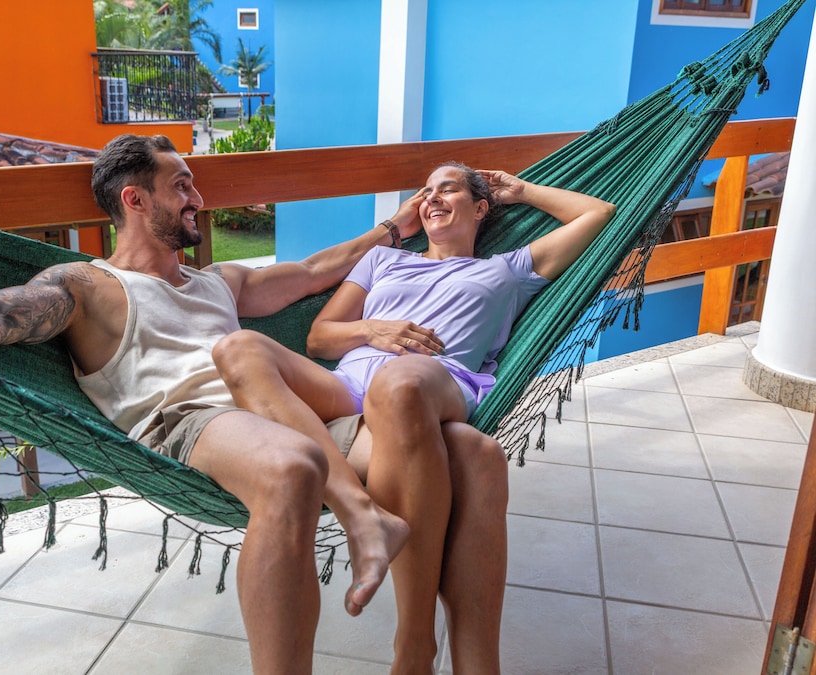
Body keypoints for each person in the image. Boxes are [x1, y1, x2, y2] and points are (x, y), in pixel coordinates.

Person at [0, 134, 491, 675]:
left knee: (467, 450)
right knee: (292, 466)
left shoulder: (220, 281)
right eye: (183, 186)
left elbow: (317, 271)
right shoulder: (87, 284)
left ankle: (430, 653)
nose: (199, 198)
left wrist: (393, 228)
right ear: (136, 199)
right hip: (195, 421)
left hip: (290, 409)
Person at [211, 162, 616, 673]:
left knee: (400, 383)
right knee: (240, 347)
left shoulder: (507, 270)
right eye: (426, 192)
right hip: (348, 386)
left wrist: (522, 190)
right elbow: (319, 338)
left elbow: (600, 214)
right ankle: (374, 530)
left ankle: (414, 640)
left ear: (481, 208)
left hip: (436, 381)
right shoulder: (383, 260)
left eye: (448, 189)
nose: (432, 198)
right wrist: (371, 330)